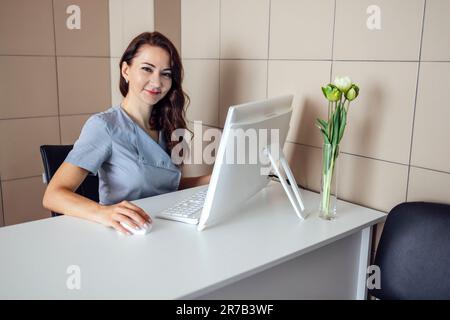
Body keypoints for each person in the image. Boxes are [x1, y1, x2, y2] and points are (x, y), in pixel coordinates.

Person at [43, 32, 210, 235]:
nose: (157, 82)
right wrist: (104, 213)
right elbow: (53, 195)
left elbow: (165, 186)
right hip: (125, 234)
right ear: (125, 70)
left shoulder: (168, 125)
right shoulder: (104, 126)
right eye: (147, 69)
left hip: (163, 230)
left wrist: (211, 179)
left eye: (165, 73)